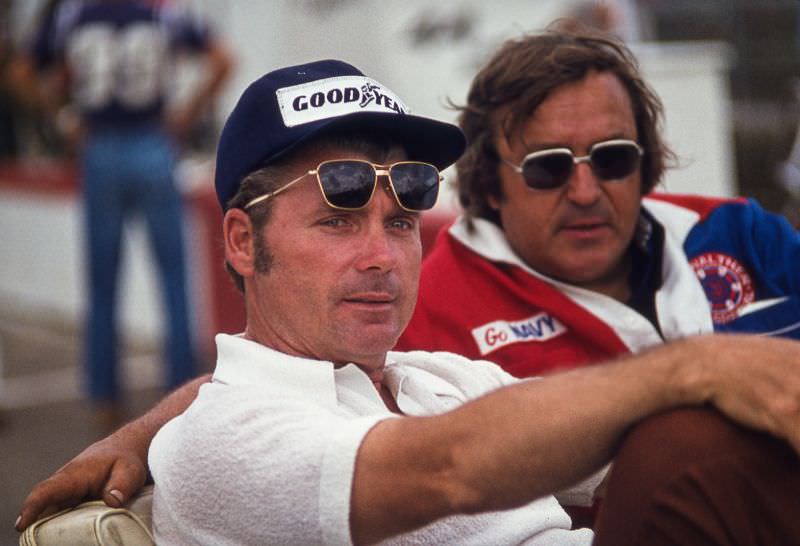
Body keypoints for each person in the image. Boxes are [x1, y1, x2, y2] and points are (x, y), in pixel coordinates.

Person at [17, 58, 800, 545]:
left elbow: (611, 452)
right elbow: (450, 470)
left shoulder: (439, 378)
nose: (382, 257)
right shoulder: (222, 436)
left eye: (401, 222)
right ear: (243, 244)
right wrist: (693, 367)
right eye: (337, 219)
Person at [397, 30, 800, 376]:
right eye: (548, 168)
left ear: (645, 162)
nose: (585, 192)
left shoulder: (741, 235)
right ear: (489, 183)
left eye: (613, 158)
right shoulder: (425, 323)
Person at [15, 0, 234, 429]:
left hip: (99, 147)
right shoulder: (164, 12)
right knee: (173, 278)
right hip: (153, 143)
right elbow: (224, 61)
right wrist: (186, 114)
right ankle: (182, 397)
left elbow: (20, 71)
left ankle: (105, 402)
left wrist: (61, 118)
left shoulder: (73, 14)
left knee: (102, 283)